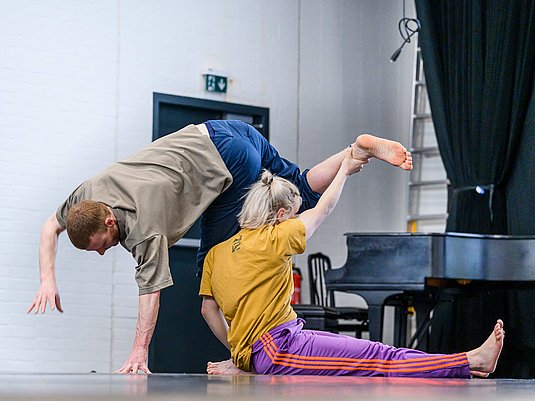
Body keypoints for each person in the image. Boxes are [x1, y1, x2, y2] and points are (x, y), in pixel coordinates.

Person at [27, 119, 413, 374]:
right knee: (300, 184)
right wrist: (47, 278)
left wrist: (139, 351)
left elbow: (151, 295)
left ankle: (242, 361)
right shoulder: (84, 197)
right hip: (226, 130)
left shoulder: (144, 227)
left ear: (110, 220)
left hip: (227, 163)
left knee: (210, 288)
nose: (102, 252)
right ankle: (356, 151)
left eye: (103, 244)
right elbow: (49, 227)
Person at [199, 153, 505, 378]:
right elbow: (322, 210)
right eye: (292, 214)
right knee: (379, 359)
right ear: (280, 215)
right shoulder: (275, 235)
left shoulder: (216, 254)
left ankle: (465, 362)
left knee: (379, 355)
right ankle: (471, 360)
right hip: (280, 347)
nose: (295, 219)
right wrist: (343, 169)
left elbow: (208, 311)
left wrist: (241, 354)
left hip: (280, 341)